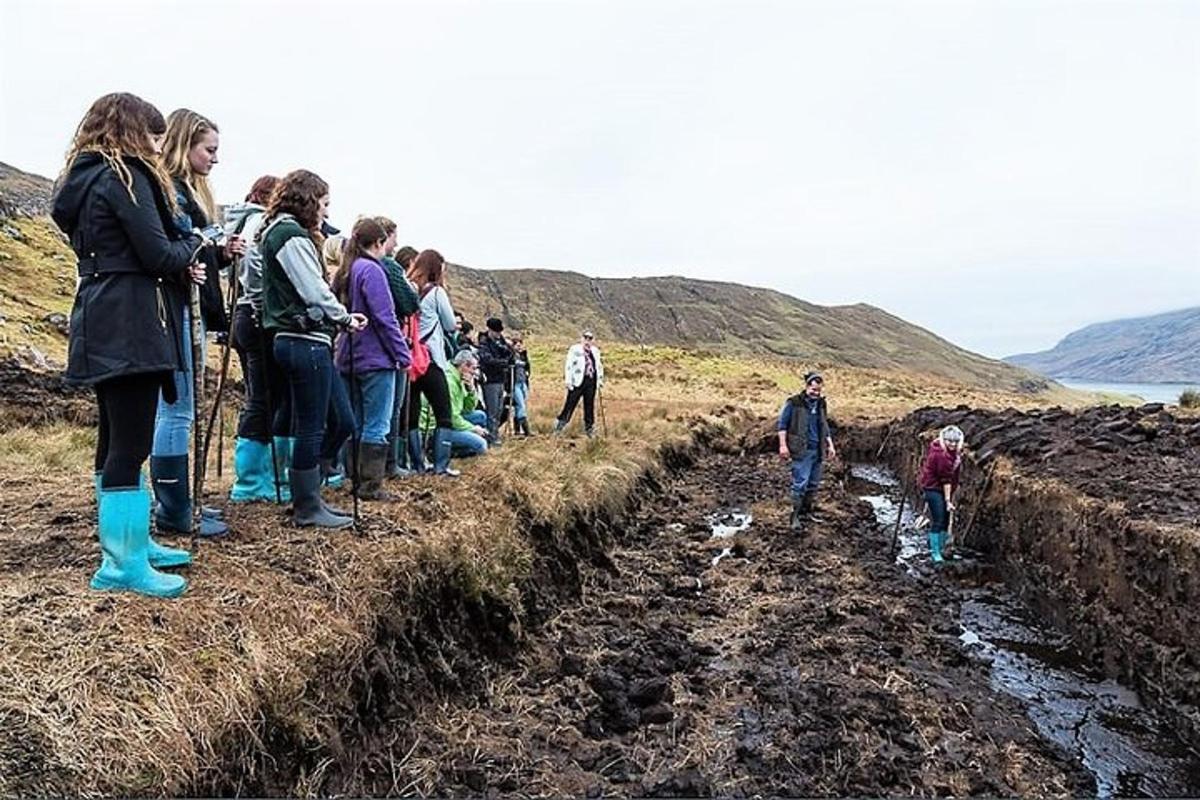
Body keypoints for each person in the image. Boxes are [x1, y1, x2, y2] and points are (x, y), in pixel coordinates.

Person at [52, 92, 206, 597]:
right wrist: (195, 245)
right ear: (137, 133)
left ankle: (133, 543)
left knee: (114, 438)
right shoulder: (127, 177)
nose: (160, 150)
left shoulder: (85, 178)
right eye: (157, 138)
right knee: (130, 442)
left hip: (99, 310)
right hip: (133, 317)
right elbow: (159, 253)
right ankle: (121, 564)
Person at [150, 109, 241, 538]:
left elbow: (196, 251)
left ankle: (178, 503)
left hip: (190, 308)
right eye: (210, 149)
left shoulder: (190, 191)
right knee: (177, 410)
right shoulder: (170, 190)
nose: (215, 159)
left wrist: (221, 255)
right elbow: (172, 250)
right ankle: (173, 509)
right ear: (185, 144)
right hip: (176, 309)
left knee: (177, 409)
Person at [259, 169, 367, 528]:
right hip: (302, 339)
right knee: (312, 425)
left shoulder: (283, 233)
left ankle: (308, 490)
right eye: (323, 203)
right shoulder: (289, 235)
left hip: (308, 340)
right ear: (308, 200)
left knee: (342, 420)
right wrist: (344, 317)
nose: (325, 212)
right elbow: (313, 290)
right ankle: (306, 505)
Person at [225, 175, 294, 504]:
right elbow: (253, 262)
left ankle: (262, 474)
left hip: (244, 313)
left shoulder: (243, 220)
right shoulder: (258, 221)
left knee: (266, 395)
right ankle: (251, 481)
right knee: (263, 397)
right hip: (254, 315)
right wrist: (260, 305)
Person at [332, 218, 412, 501]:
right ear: (378, 243)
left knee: (356, 420)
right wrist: (402, 354)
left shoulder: (347, 270)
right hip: (376, 359)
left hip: (348, 356)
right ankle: (370, 486)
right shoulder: (372, 271)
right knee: (377, 423)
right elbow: (385, 317)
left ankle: (354, 479)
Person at [405, 249, 461, 476]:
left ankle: (417, 464)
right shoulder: (436, 293)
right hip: (429, 359)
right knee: (443, 413)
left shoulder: (408, 288)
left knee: (412, 415)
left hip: (409, 358)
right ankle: (440, 465)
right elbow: (449, 324)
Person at [375, 228, 421, 478]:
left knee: (379, 411)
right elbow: (410, 304)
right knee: (390, 410)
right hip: (392, 346)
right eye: (393, 236)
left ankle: (375, 468)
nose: (396, 242)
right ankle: (389, 465)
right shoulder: (389, 267)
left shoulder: (356, 266)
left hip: (375, 347)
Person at [776, 371, 838, 532]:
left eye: (818, 390)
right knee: (800, 482)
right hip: (801, 449)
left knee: (813, 483)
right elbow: (782, 425)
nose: (816, 393)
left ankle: (806, 513)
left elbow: (824, 426)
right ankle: (794, 516)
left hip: (818, 449)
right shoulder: (794, 403)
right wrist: (783, 446)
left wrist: (830, 445)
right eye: (813, 390)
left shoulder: (821, 404)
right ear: (807, 387)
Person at [419, 350, 489, 457]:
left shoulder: (459, 377)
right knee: (481, 445)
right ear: (464, 365)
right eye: (473, 368)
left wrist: (471, 390)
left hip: (451, 420)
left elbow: (467, 409)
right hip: (436, 428)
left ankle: (459, 445)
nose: (475, 373)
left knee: (480, 416)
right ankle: (437, 451)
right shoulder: (450, 382)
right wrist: (472, 428)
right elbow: (452, 418)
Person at [918, 425, 965, 564]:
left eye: (955, 442)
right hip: (933, 489)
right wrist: (948, 501)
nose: (953, 444)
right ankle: (935, 553)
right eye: (950, 441)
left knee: (945, 520)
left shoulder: (953, 453)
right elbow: (946, 480)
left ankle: (944, 549)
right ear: (944, 440)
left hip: (943, 488)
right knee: (939, 519)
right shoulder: (941, 455)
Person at [554, 330, 604, 437]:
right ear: (582, 338)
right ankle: (560, 425)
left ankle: (589, 428)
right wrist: (568, 380)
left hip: (590, 381)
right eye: (585, 338)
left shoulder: (595, 351)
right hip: (577, 381)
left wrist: (599, 380)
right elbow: (569, 365)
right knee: (570, 403)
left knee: (589, 405)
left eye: (590, 339)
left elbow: (599, 366)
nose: (587, 341)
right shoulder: (575, 349)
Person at [477, 317, 514, 444]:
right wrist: (503, 363)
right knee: (492, 409)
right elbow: (487, 360)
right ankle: (491, 437)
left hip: (500, 379)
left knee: (499, 409)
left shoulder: (501, 341)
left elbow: (509, 354)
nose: (498, 334)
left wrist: (506, 351)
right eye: (496, 331)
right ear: (490, 330)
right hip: (490, 380)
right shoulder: (484, 343)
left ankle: (494, 433)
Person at [510, 333, 532, 436]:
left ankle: (518, 430)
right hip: (515, 384)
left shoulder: (523, 355)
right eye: (516, 344)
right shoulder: (510, 355)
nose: (519, 346)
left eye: (520, 343)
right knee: (521, 405)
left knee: (520, 405)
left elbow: (528, 367)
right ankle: (526, 430)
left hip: (523, 382)